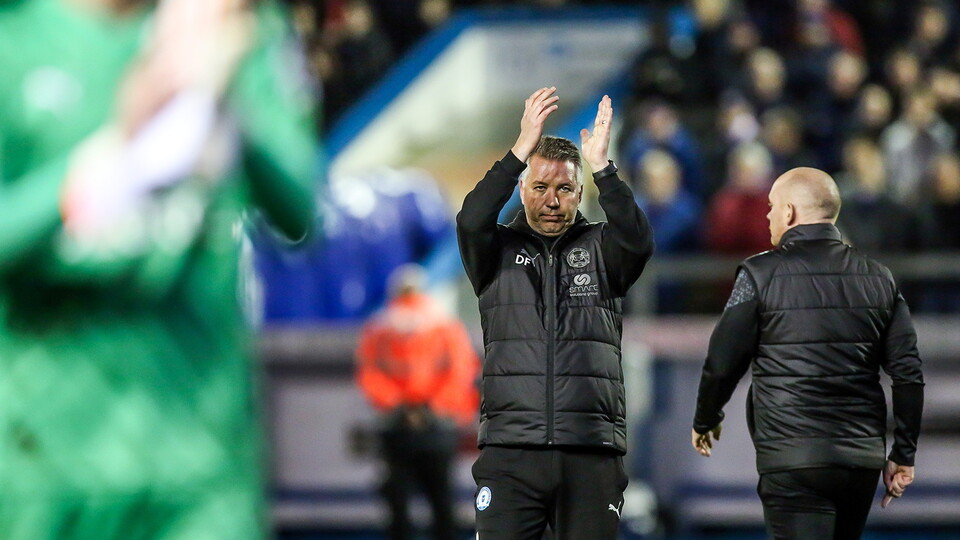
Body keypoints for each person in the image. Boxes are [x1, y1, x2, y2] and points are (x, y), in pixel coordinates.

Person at [0, 0, 318, 538]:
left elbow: (304, 215)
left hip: (201, 471)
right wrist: (118, 152)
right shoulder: (16, 33)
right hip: (44, 468)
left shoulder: (237, 27)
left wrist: (225, 101)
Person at [456, 87, 655, 539]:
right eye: (540, 187)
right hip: (511, 450)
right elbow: (470, 219)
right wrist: (519, 149)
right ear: (522, 188)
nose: (551, 200)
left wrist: (604, 168)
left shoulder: (603, 248)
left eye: (564, 188)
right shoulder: (494, 252)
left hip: (590, 450)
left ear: (579, 192)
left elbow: (640, 240)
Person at [691, 167, 924, 540]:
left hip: (793, 459)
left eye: (771, 207)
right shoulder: (880, 277)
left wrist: (705, 418)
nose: (767, 216)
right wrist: (904, 453)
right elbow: (908, 374)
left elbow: (722, 362)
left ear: (789, 213)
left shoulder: (758, 274)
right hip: (860, 459)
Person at [356, 264, 480, 540]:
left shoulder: (380, 326)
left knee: (398, 501)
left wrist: (400, 405)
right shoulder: (443, 324)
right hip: (437, 426)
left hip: (397, 425)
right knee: (441, 498)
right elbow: (461, 369)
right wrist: (432, 406)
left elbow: (369, 372)